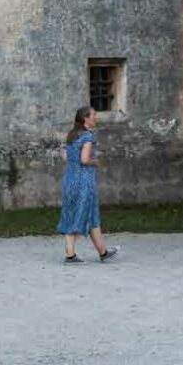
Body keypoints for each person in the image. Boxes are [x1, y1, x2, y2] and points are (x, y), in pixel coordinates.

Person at [57, 106, 118, 264]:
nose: (95, 118)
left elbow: (66, 157)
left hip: (70, 180)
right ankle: (70, 255)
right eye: (93, 115)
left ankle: (102, 252)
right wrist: (94, 161)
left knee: (89, 216)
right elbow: (84, 160)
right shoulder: (87, 137)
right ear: (85, 118)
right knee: (80, 215)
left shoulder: (72, 135)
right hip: (84, 182)